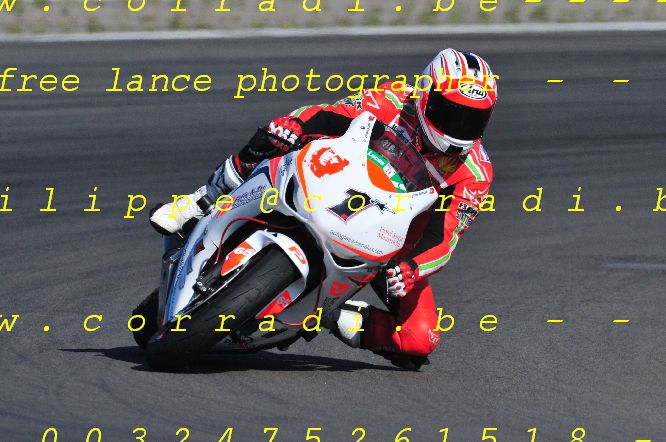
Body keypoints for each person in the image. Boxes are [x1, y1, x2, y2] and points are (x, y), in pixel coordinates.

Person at [150, 49, 497, 369]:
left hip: (388, 245)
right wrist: (296, 127)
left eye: (473, 119)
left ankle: (331, 313)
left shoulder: (476, 173)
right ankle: (203, 199)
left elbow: (444, 237)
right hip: (335, 182)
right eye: (450, 113)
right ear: (424, 94)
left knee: (420, 338)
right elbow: (330, 115)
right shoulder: (393, 100)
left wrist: (411, 268)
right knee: (276, 134)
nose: (458, 129)